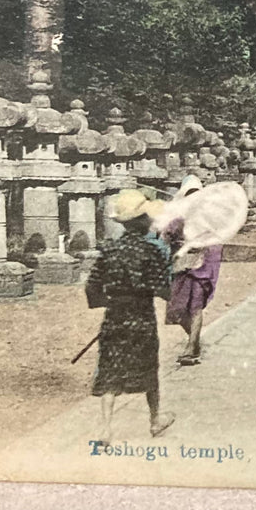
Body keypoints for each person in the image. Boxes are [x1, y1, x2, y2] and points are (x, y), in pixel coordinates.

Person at [86, 189, 175, 444]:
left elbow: (92, 289)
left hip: (114, 318)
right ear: (143, 221)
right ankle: (155, 420)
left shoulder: (109, 250)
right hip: (142, 318)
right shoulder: (153, 251)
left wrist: (113, 300)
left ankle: (105, 429)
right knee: (149, 370)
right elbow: (164, 291)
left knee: (110, 371)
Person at [162, 175, 222, 366]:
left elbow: (216, 240)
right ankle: (194, 341)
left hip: (202, 265)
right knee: (177, 310)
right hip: (181, 264)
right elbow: (166, 235)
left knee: (195, 306)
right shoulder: (178, 215)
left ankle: (190, 347)